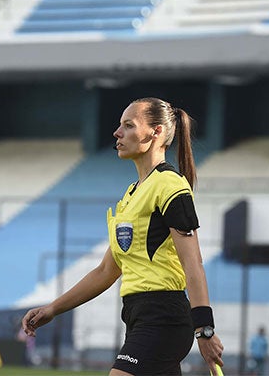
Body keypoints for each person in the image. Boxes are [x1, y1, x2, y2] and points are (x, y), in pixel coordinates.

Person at [22, 97, 224, 376]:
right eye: (120, 126)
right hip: (136, 317)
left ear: (157, 133)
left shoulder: (170, 185)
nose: (117, 133)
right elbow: (107, 269)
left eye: (128, 126)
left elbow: (193, 264)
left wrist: (204, 329)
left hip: (163, 318)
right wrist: (53, 309)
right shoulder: (131, 194)